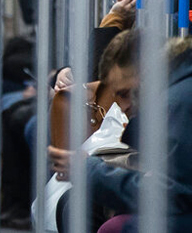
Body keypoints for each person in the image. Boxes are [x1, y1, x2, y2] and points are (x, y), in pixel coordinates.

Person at [48, 36, 192, 233]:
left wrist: (90, 170)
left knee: (113, 226)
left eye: (126, 93)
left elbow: (172, 194)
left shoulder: (179, 102)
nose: (123, 106)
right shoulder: (173, 94)